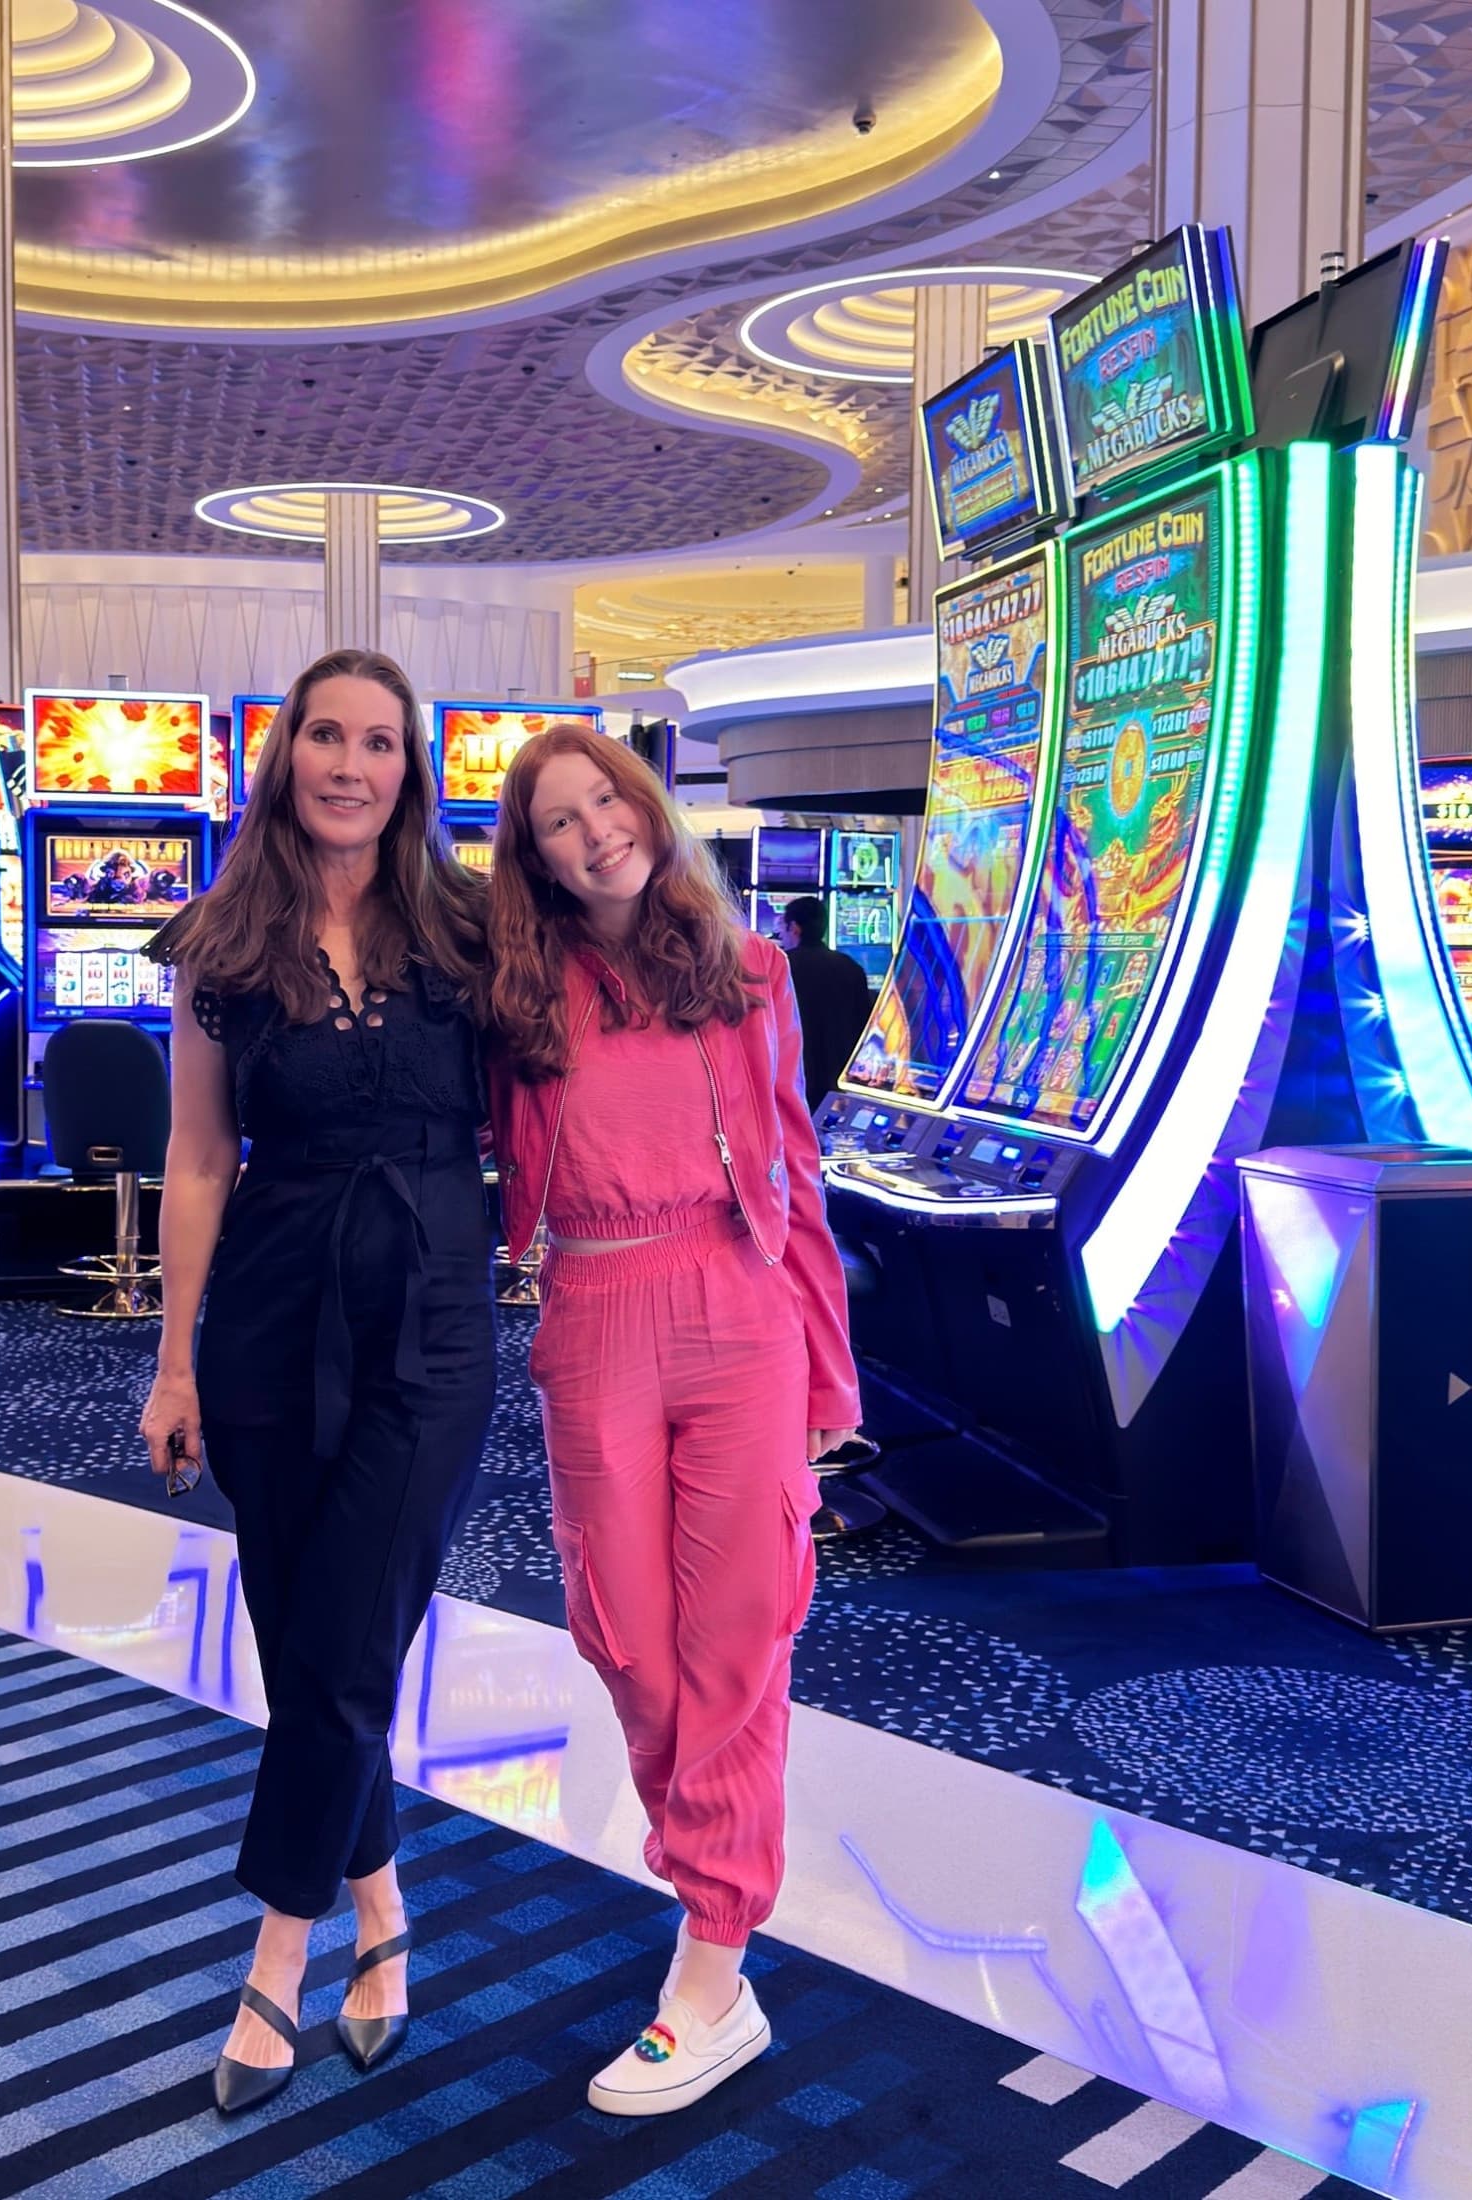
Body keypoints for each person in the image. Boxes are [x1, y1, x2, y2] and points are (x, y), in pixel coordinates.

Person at [138, 648, 497, 2117]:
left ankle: (275, 1965)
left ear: (411, 770)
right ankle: (387, 1913)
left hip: (431, 1321)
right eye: (327, 738)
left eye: (382, 743)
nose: (352, 765)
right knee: (310, 1651)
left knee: (349, 1637)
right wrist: (173, 1364)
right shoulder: (224, 938)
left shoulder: (472, 929)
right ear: (287, 756)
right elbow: (198, 1156)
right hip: (270, 1320)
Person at [488, 724, 859, 2119]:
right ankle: (710, 1882)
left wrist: (830, 1374)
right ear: (534, 857)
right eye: (560, 823)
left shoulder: (750, 972)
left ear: (648, 805)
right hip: (592, 1308)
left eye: (608, 802)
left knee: (742, 1625)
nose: (595, 834)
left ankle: (713, 1952)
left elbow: (795, 1172)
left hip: (739, 1302)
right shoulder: (517, 991)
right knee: (629, 1638)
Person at [778, 893, 872, 1107]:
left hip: (795, 1078)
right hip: (840, 1080)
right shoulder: (851, 967)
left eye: (782, 928)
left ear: (795, 927)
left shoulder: (781, 968)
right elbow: (863, 1026)